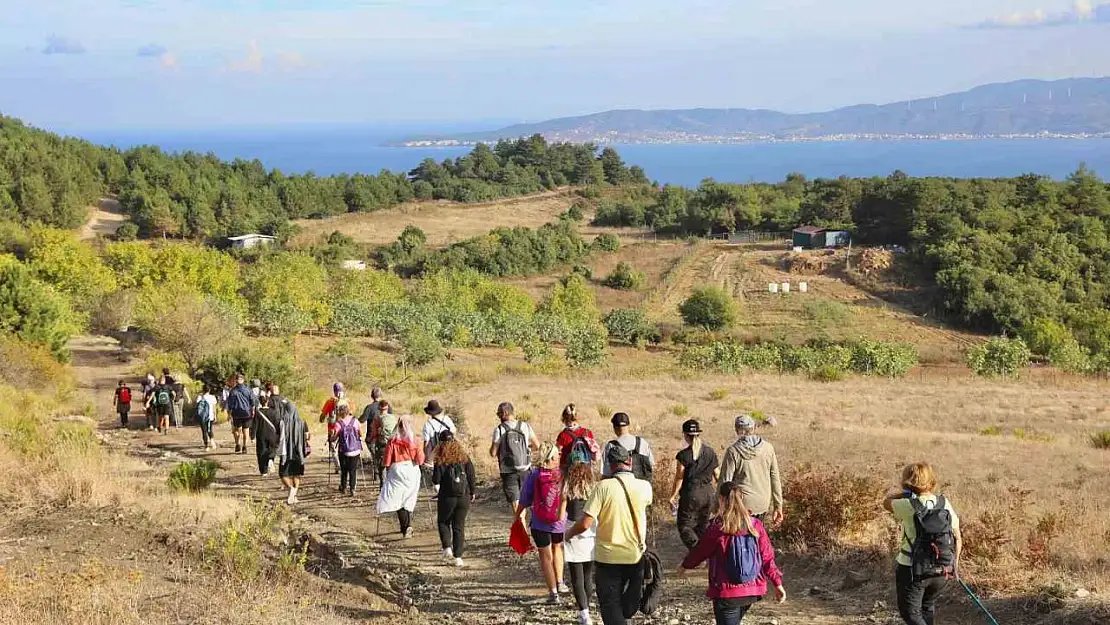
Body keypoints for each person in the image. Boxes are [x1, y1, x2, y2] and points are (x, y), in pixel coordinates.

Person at [565, 445, 653, 625]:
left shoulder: (603, 487)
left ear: (610, 466)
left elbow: (585, 523)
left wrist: (568, 534)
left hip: (608, 558)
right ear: (629, 462)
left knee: (610, 605)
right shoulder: (645, 487)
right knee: (628, 606)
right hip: (634, 555)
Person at [679, 481, 786, 625]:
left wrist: (685, 565)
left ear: (721, 499)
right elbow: (767, 557)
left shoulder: (718, 528)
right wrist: (777, 584)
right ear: (742, 499)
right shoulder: (755, 525)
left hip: (727, 592)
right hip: (752, 590)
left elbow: (700, 551)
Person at [883, 463, 962, 625]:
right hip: (943, 569)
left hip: (912, 569)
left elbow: (886, 502)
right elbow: (957, 537)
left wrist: (904, 494)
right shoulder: (944, 503)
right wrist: (954, 565)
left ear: (907, 483)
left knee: (910, 614)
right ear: (931, 481)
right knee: (926, 608)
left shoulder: (908, 505)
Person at [517, 442, 569, 604]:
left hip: (540, 522)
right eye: (558, 455)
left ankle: (553, 593)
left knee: (546, 557)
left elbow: (525, 498)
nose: (559, 457)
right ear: (552, 457)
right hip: (559, 522)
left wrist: (518, 515)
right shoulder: (561, 474)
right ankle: (560, 582)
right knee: (558, 549)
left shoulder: (534, 474)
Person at [718, 414, 783, 526]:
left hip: (741, 503)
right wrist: (778, 506)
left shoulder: (733, 451)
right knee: (757, 536)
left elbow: (725, 482)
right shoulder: (768, 448)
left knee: (740, 538)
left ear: (737, 430)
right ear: (753, 428)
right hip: (763, 503)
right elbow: (775, 478)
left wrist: (719, 507)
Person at [670, 419, 720, 550]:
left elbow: (679, 477)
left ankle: (699, 553)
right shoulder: (710, 452)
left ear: (686, 436)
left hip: (691, 494)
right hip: (708, 494)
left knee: (685, 526)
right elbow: (718, 475)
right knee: (702, 527)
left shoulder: (683, 455)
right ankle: (706, 554)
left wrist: (673, 495)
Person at [432, 430, 476, 568]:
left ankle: (447, 548)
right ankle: (458, 557)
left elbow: (436, 479)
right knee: (459, 526)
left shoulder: (440, 459)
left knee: (443, 521)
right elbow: (471, 476)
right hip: (463, 496)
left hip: (447, 497)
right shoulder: (464, 457)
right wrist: (472, 492)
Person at [377, 415, 425, 538]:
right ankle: (407, 525)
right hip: (411, 470)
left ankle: (405, 527)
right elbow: (420, 460)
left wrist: (385, 469)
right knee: (409, 497)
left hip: (396, 470)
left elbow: (387, 461)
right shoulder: (416, 440)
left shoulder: (393, 440)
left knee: (398, 499)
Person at [564, 461, 599, 625]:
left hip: (572, 533)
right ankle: (587, 607)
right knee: (587, 575)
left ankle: (584, 612)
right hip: (591, 533)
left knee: (576, 577)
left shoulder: (567, 492)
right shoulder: (594, 492)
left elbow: (559, 516)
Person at [489, 401, 540, 510]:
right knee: (525, 502)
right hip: (525, 469)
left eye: (499, 414)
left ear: (505, 413)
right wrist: (527, 448)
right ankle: (526, 524)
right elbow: (537, 445)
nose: (498, 417)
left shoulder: (499, 429)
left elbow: (493, 453)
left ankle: (521, 525)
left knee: (515, 503)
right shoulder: (525, 426)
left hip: (508, 472)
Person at [274, 385, 309, 505]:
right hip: (298, 452)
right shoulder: (302, 422)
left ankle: (291, 489)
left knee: (283, 473)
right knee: (297, 474)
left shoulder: (282, 422)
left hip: (286, 452)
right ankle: (294, 494)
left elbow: (278, 436)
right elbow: (307, 436)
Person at [601, 412, 655, 480]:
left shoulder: (611, 446)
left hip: (620, 486)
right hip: (642, 486)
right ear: (628, 426)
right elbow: (651, 466)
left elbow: (607, 473)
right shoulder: (642, 442)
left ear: (614, 427)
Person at [556, 404, 600, 470]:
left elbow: (557, 454)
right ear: (577, 417)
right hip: (586, 470)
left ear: (564, 418)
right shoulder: (587, 432)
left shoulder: (563, 435)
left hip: (568, 471)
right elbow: (595, 455)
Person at [320, 382, 350, 472]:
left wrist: (322, 419)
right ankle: (345, 465)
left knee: (333, 449)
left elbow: (322, 416)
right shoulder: (347, 401)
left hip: (332, 429)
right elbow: (351, 414)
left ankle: (338, 466)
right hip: (345, 428)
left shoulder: (329, 402)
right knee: (346, 446)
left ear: (334, 391)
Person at [253, 384, 282, 476]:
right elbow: (277, 423)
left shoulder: (258, 412)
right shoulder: (274, 412)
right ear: (268, 402)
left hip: (261, 434)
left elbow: (255, 425)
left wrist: (252, 436)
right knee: (272, 449)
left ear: (260, 402)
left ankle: (263, 471)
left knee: (261, 451)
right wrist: (279, 433)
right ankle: (270, 459)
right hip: (272, 434)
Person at [336, 404, 364, 496]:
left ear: (340, 412)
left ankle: (343, 487)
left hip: (343, 450)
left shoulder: (338, 424)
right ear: (348, 411)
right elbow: (361, 433)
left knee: (344, 470)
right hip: (355, 450)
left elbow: (334, 438)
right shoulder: (355, 421)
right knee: (353, 470)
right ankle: (352, 489)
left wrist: (331, 437)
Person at [368, 399, 397, 482]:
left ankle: (382, 485)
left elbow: (373, 433)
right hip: (392, 444)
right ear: (387, 408)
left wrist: (370, 439)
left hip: (382, 445)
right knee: (390, 466)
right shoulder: (392, 417)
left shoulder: (377, 419)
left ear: (379, 408)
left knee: (382, 465)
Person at [421, 400, 456, 469]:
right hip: (451, 449)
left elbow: (427, 443)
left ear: (429, 412)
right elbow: (454, 431)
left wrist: (427, 458)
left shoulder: (428, 424)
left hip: (437, 453)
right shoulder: (446, 418)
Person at [227, 373, 255, 454]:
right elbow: (252, 401)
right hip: (247, 413)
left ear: (236, 380)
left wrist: (229, 413)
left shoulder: (233, 391)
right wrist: (253, 410)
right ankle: (245, 447)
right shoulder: (248, 389)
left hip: (236, 413)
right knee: (246, 431)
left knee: (236, 430)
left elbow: (230, 404)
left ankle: (237, 444)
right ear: (243, 380)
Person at [197, 385, 218, 450]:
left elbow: (197, 406)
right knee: (209, 429)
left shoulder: (200, 397)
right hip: (210, 416)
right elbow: (214, 408)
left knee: (204, 431)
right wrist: (215, 416)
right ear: (209, 390)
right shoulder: (212, 397)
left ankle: (206, 446)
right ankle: (212, 442)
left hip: (201, 416)